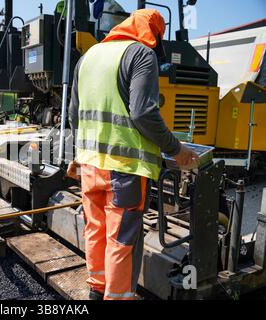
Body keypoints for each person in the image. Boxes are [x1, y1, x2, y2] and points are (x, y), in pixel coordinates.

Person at [68, 9, 199, 300]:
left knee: (95, 227)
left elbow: (74, 114)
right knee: (121, 237)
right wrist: (177, 150)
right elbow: (143, 113)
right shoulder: (141, 54)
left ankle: (96, 288)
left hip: (89, 163)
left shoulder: (89, 57)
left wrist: (83, 151)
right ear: (153, 34)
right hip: (125, 169)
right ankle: (117, 297)